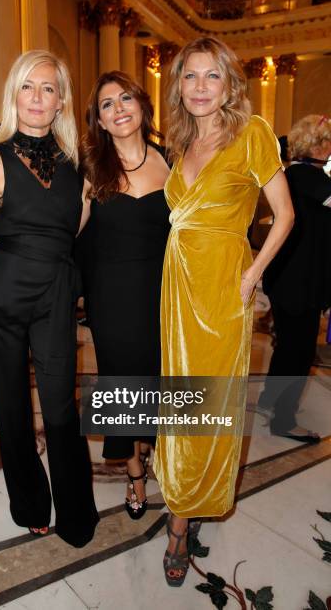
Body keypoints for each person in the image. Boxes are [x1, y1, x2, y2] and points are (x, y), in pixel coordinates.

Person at [152, 37, 294, 586]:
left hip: (221, 289)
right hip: (176, 284)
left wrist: (252, 276)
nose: (200, 88)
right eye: (190, 76)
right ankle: (184, 496)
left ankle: (181, 522)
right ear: (179, 84)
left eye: (212, 77)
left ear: (231, 83)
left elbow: (283, 215)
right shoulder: (179, 141)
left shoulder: (252, 133)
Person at [0, 50, 99, 547]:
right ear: (14, 96)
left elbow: (75, 228)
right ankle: (30, 504)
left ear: (61, 100)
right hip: (3, 295)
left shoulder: (77, 165)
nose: (38, 97)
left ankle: (76, 511)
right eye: (28, 87)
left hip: (56, 293)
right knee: (13, 405)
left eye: (48, 88)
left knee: (62, 403)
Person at [79, 71, 170, 519]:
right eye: (106, 104)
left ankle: (161, 455)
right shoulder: (91, 168)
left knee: (158, 379)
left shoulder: (171, 160)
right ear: (98, 119)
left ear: (142, 104)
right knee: (121, 385)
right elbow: (69, 230)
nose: (118, 108)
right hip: (112, 295)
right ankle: (134, 472)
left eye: (125, 98)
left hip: (164, 294)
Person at [259, 114, 331, 441]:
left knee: (287, 345)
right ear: (319, 145)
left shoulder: (295, 174)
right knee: (299, 350)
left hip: (289, 276)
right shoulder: (308, 176)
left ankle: (270, 399)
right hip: (300, 281)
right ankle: (284, 420)